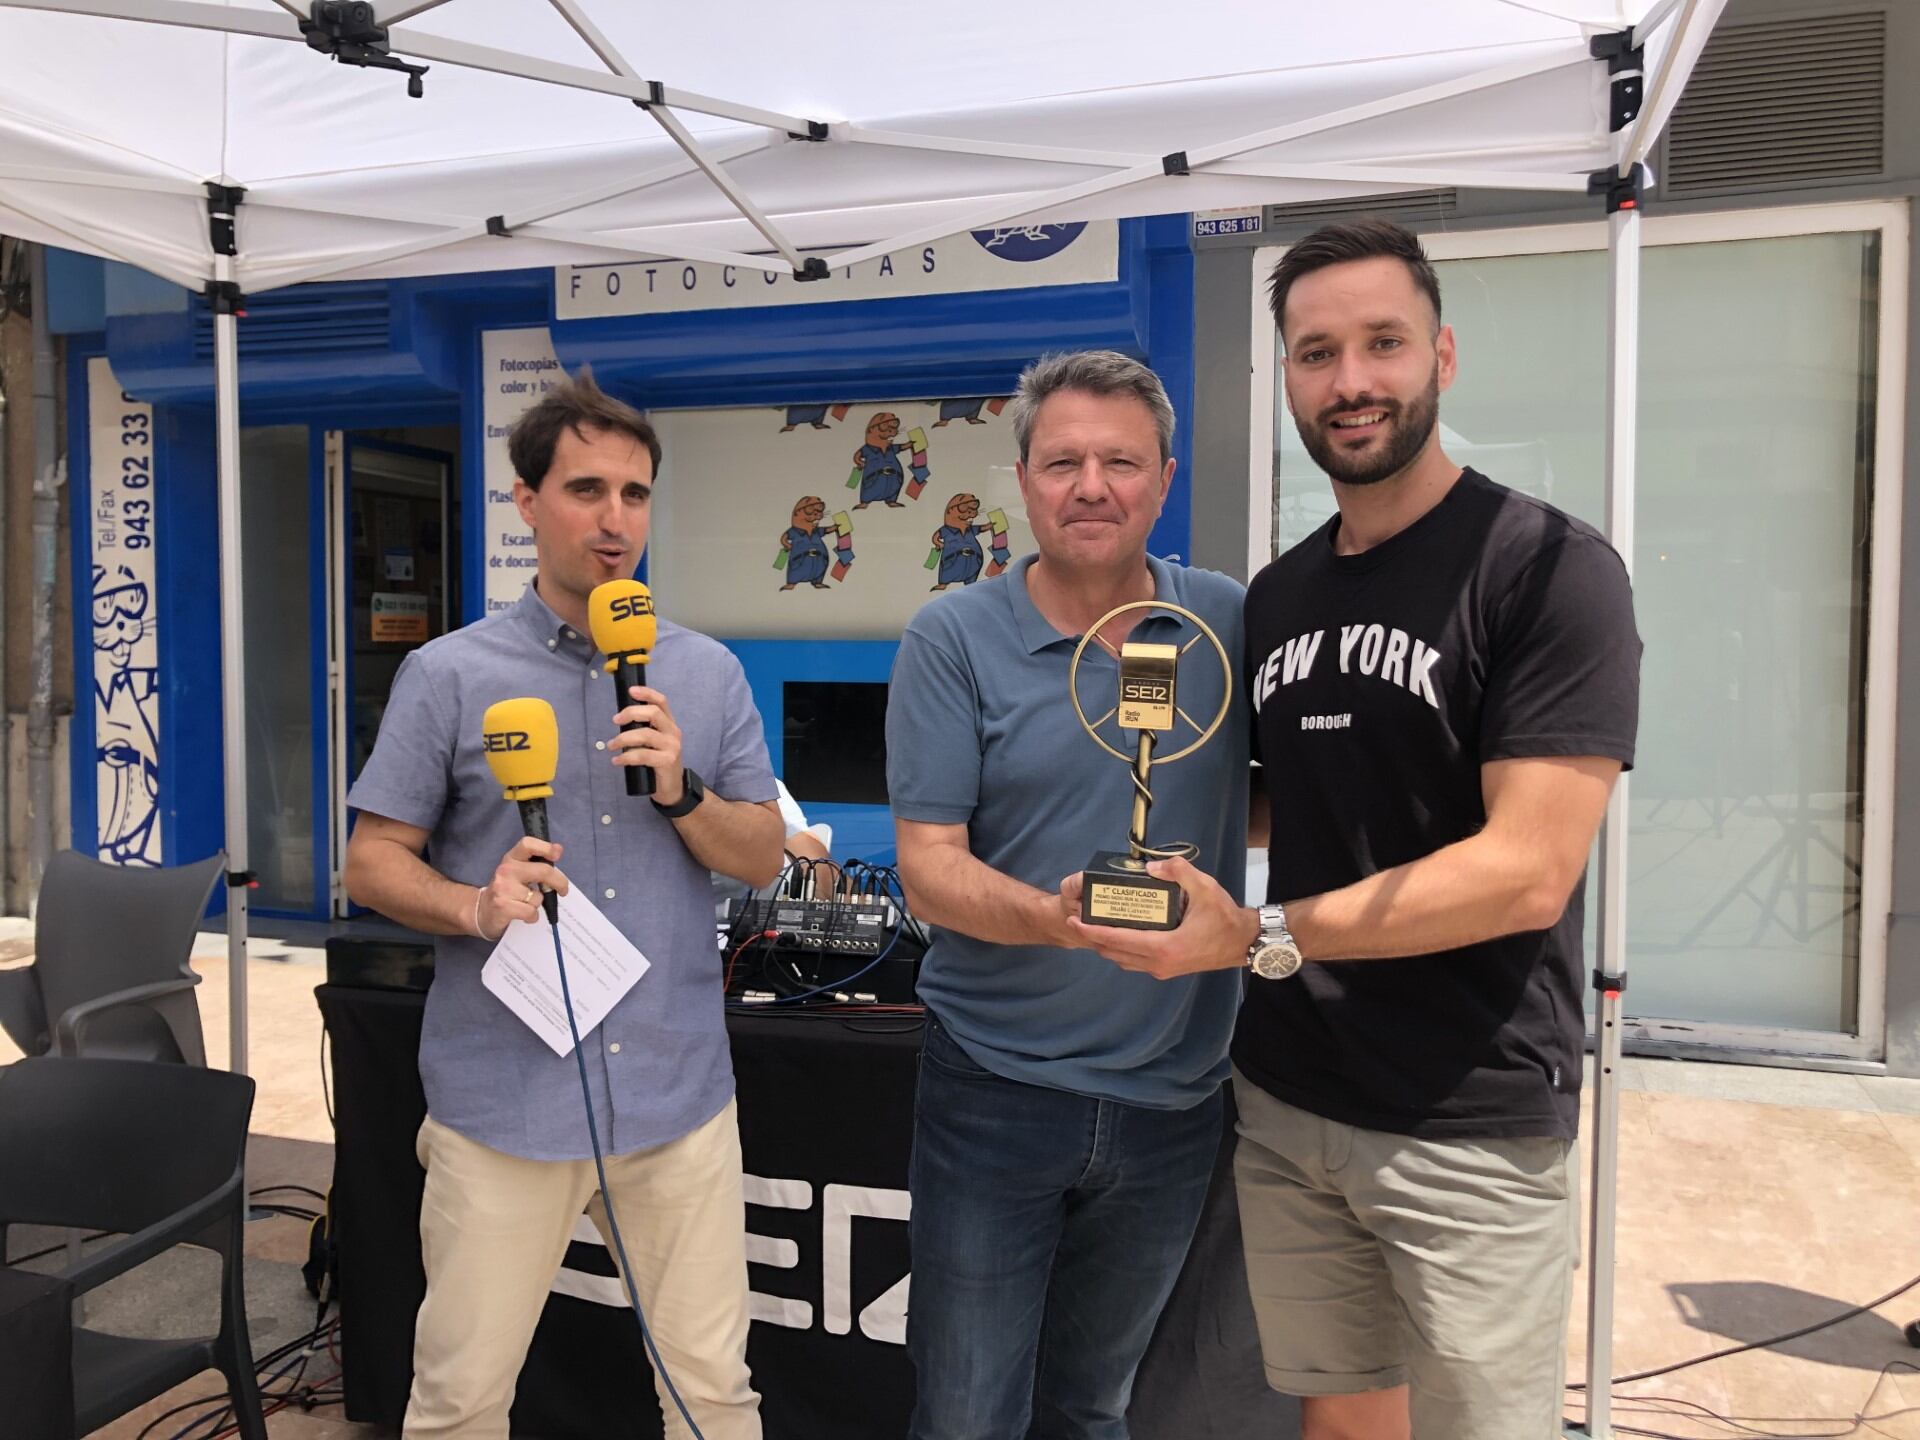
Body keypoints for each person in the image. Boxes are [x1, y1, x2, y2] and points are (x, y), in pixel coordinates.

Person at [1068, 219, 1641, 1440]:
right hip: (1293, 1097)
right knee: (1341, 1423)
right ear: (1285, 377)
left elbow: (1526, 871)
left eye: (1381, 343)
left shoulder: (1547, 570)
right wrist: (1130, 813)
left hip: (1467, 1113)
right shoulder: (1282, 594)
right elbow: (1303, 792)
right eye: (1316, 352)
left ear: (1440, 354)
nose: (1352, 380)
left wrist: (1252, 935)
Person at [342, 367, 785, 1440]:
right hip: (505, 1100)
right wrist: (474, 905)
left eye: (635, 495)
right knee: (458, 1401)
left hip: (676, 1096)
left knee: (712, 1395)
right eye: (587, 490)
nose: (615, 519)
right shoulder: (449, 675)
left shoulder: (706, 671)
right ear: (527, 500)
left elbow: (765, 853)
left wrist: (682, 792)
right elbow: (370, 862)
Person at [887, 350, 1250, 1439]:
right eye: (1063, 462)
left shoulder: (1225, 622)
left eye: (1120, 461)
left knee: (1094, 1407)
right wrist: (1054, 919)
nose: (1091, 485)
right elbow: (929, 867)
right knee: (964, 1415)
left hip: (1175, 1098)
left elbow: (1271, 797)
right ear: (1025, 479)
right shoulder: (951, 638)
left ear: (1166, 479)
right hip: (994, 1092)